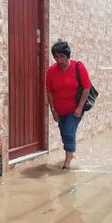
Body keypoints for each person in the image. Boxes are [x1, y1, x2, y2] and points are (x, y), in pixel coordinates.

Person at [46, 40, 91, 169]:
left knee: (68, 132)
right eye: (56, 57)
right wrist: (53, 110)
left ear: (68, 55)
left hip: (75, 109)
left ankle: (67, 163)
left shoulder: (78, 67)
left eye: (62, 57)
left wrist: (80, 107)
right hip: (60, 110)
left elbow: (86, 87)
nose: (59, 60)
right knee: (63, 133)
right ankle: (70, 154)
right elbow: (49, 92)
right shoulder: (51, 71)